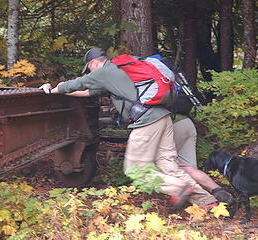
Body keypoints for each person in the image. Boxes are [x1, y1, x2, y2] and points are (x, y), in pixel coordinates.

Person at [39, 47, 217, 209]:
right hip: (163, 117)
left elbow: (78, 84)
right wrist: (59, 89)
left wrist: (51, 90)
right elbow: (87, 92)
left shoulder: (104, 71)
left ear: (93, 63)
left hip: (147, 122)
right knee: (169, 168)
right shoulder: (120, 70)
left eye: (89, 69)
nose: (90, 72)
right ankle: (208, 203)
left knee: (135, 170)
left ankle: (178, 187)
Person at [173, 114, 235, 204]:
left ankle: (205, 201)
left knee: (164, 165)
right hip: (186, 122)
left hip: (170, 125)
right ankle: (219, 192)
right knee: (188, 168)